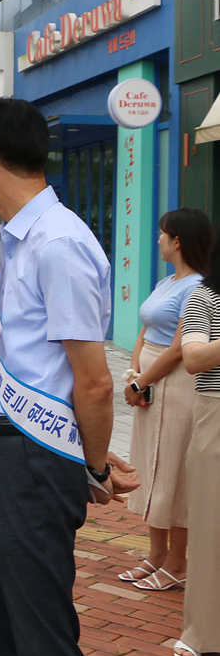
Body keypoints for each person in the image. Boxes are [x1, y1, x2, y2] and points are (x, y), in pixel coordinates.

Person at [0, 97, 137, 656]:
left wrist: (91, 464)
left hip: (28, 463)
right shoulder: (23, 239)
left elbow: (93, 378)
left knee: (42, 639)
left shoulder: (58, 245)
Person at [119, 210, 213, 592]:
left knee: (173, 469)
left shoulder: (198, 287)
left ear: (178, 240)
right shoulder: (166, 281)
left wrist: (141, 381)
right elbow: (145, 329)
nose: (157, 239)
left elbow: (178, 350)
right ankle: (156, 555)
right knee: (150, 466)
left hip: (176, 386)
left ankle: (178, 562)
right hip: (150, 384)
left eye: (162, 234)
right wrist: (133, 374)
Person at [177, 231, 220, 656]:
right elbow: (193, 358)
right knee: (210, 527)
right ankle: (204, 632)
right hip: (216, 414)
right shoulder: (204, 296)